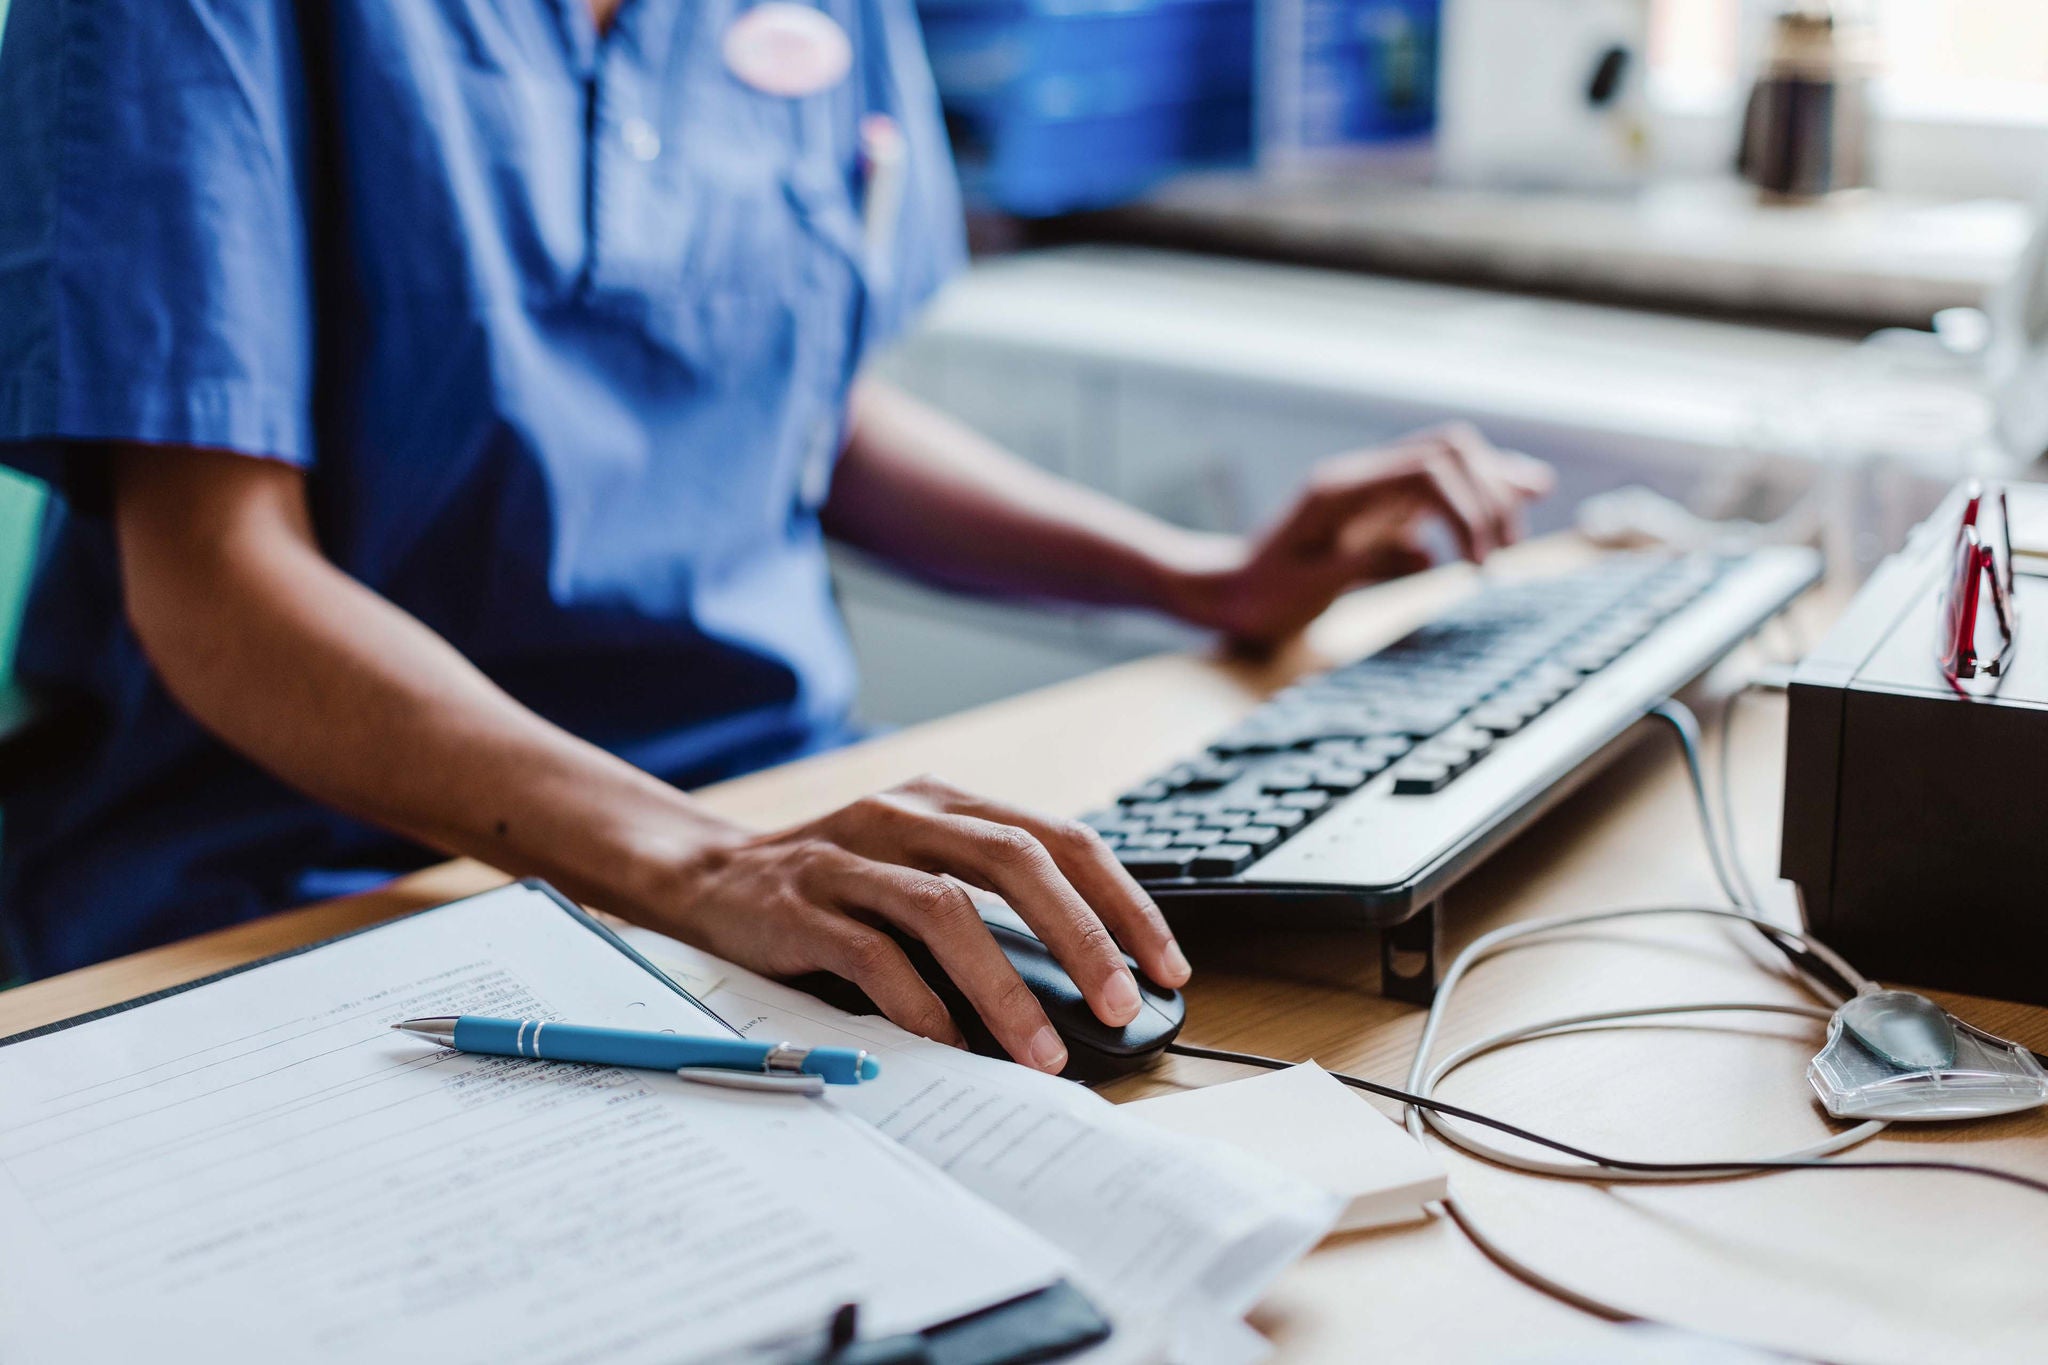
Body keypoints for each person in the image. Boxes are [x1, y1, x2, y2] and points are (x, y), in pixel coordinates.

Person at [0, 0, 1550, 1071]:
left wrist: (1196, 577)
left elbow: (804, 411)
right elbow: (214, 574)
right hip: (304, 884)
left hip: (759, 833)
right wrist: (707, 863)